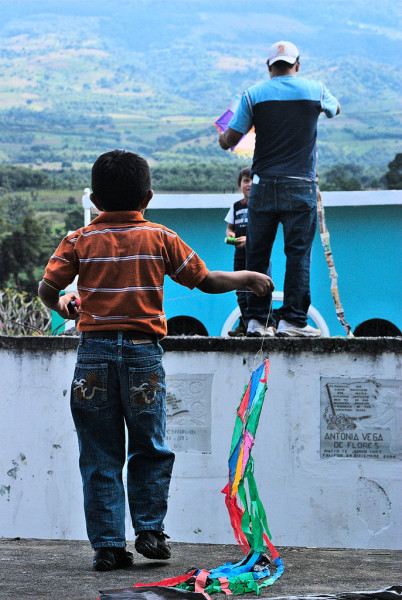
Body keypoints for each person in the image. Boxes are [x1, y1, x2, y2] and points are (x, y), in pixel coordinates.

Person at [38, 149, 273, 572]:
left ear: (95, 200)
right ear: (147, 197)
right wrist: (247, 277)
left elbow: (46, 288)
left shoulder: (78, 240)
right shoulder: (159, 237)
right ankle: (149, 530)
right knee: (149, 446)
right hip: (143, 355)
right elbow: (205, 280)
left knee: (99, 453)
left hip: (93, 357)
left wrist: (62, 306)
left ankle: (108, 546)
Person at [219, 41, 341, 337]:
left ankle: (257, 321)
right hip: (300, 185)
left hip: (262, 185)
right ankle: (293, 321)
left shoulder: (253, 95)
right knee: (298, 255)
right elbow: (335, 109)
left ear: (268, 66)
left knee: (257, 254)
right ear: (297, 64)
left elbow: (229, 140)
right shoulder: (316, 90)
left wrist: (224, 136)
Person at [225, 166, 275, 337]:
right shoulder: (236, 206)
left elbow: (266, 230)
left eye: (254, 180)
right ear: (239, 185)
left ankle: (268, 323)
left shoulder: (262, 206)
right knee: (241, 291)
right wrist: (231, 235)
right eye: (246, 181)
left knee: (260, 289)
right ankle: (246, 323)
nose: (250, 184)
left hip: (258, 256)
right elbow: (230, 228)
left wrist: (250, 240)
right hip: (240, 256)